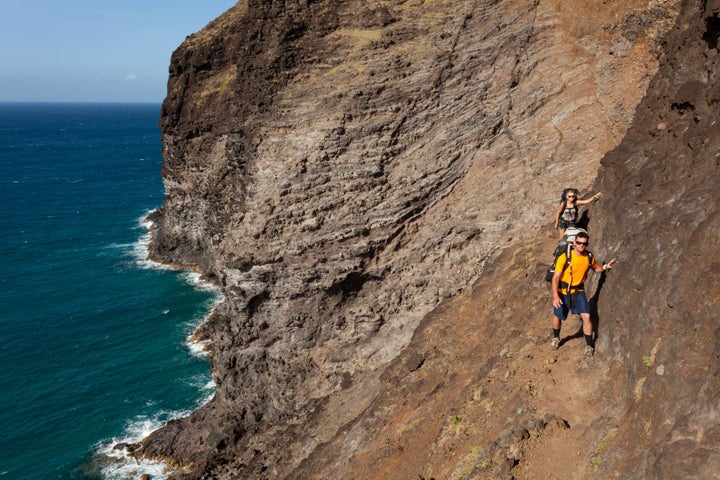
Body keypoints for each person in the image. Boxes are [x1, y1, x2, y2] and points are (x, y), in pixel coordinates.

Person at [550, 231, 616, 356]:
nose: (581, 245)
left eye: (584, 244)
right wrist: (555, 296)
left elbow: (596, 267)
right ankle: (556, 337)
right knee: (557, 316)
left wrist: (605, 267)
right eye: (579, 243)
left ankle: (589, 345)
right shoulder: (565, 257)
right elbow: (555, 278)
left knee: (586, 317)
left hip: (578, 290)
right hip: (563, 291)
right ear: (574, 243)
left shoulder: (588, 257)